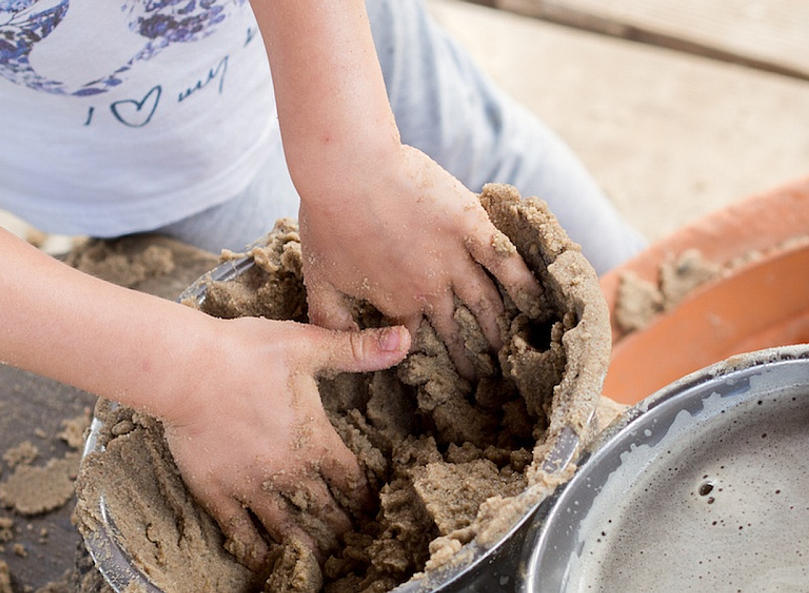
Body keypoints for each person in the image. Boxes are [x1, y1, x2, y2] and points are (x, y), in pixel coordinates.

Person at [0, 0, 643, 571]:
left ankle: (656, 333)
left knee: (495, 168)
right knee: (311, 333)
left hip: (332, 40)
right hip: (138, 173)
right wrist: (186, 371)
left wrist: (352, 150)